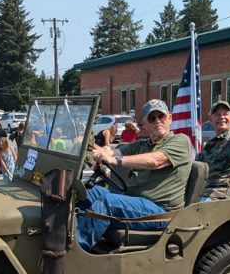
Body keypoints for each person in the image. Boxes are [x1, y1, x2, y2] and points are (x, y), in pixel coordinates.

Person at [75, 99, 192, 252]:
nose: (157, 120)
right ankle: (64, 235)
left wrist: (115, 160)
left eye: (161, 116)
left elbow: (155, 161)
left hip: (161, 212)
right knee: (88, 192)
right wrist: (87, 144)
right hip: (136, 202)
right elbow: (110, 152)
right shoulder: (143, 145)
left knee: (107, 202)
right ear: (145, 124)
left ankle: (73, 252)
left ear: (169, 118)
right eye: (152, 118)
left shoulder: (180, 140)